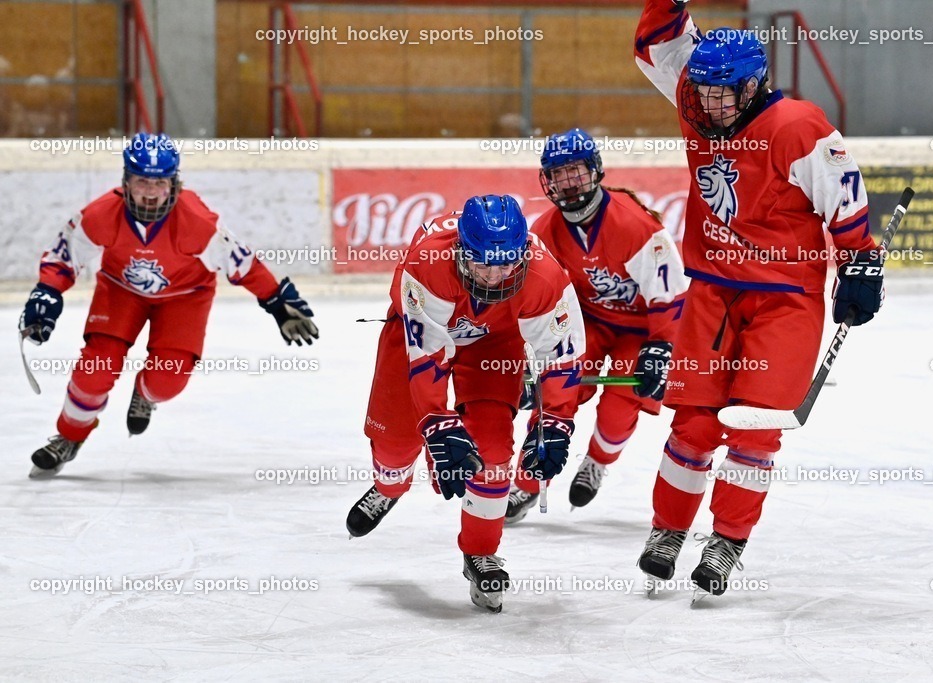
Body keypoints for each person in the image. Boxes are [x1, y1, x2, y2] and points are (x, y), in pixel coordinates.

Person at [632, 1, 885, 596]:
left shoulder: (799, 126)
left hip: (785, 301)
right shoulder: (695, 98)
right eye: (705, 91)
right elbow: (656, 44)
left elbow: (845, 204)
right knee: (692, 426)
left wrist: (860, 267)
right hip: (713, 294)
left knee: (753, 428)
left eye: (725, 93)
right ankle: (668, 531)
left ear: (753, 85)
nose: (712, 103)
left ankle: (726, 543)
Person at [20, 132, 318, 478]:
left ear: (173, 183)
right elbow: (63, 258)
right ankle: (69, 437)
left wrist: (278, 303)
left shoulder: (198, 223)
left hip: (185, 298)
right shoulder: (101, 214)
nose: (149, 190)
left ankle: (144, 393)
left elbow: (244, 263)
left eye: (159, 182)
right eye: (141, 180)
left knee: (167, 382)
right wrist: (47, 292)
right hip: (121, 291)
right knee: (95, 371)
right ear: (125, 181)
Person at [345, 194, 585, 613]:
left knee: (493, 454)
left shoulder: (547, 277)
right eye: (482, 264)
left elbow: (561, 357)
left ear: (523, 252)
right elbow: (428, 357)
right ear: (461, 251)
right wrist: (438, 424)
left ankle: (480, 551)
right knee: (397, 444)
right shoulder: (427, 264)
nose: (494, 277)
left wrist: (557, 424)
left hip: (494, 343)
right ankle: (390, 486)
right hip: (420, 335)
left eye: (506, 264)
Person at [504, 127, 688, 523]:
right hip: (585, 324)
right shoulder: (543, 233)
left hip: (640, 331)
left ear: (596, 171)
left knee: (621, 405)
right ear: (546, 181)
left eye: (577, 172)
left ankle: (598, 461)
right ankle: (528, 480)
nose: (569, 183)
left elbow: (669, 296)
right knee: (555, 394)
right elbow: (531, 301)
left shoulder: (637, 227)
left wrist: (662, 348)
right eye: (558, 174)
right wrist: (526, 357)